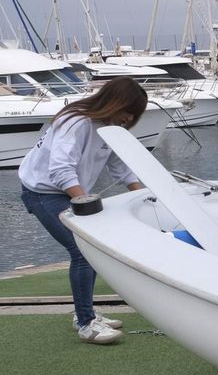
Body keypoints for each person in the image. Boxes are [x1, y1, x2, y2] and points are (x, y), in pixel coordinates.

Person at [18, 76, 148, 345]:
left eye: (134, 116)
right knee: (82, 250)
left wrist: (142, 194)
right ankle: (87, 324)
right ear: (116, 103)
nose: (129, 120)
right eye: (129, 113)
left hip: (66, 193)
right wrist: (84, 202)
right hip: (43, 193)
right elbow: (60, 169)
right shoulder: (75, 122)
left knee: (91, 250)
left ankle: (83, 315)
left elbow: (120, 166)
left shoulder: (108, 126)